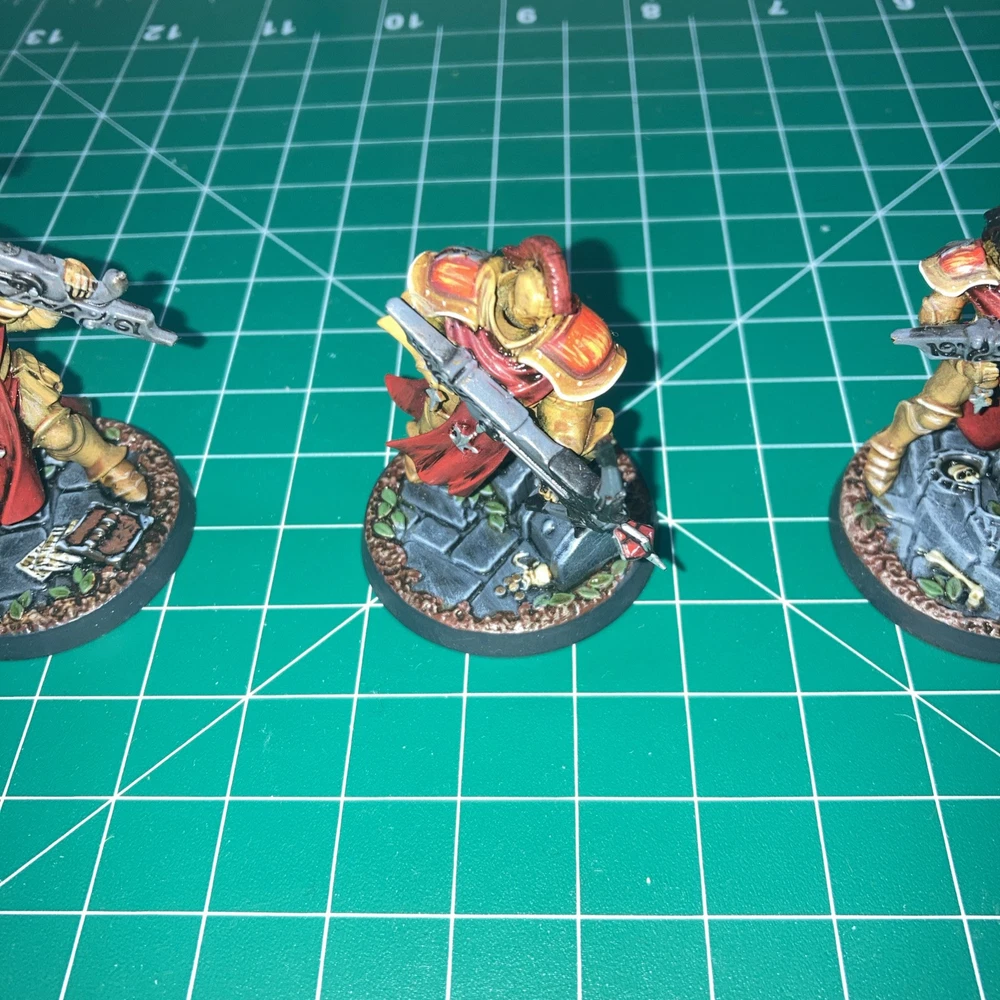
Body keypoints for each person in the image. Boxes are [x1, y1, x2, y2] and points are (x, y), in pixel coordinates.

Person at [379, 235, 627, 495]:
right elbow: (425, 317)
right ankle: (415, 465)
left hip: (509, 413)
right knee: (431, 431)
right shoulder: (465, 278)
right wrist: (430, 365)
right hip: (451, 389)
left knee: (473, 461)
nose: (535, 308)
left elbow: (570, 408)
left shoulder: (574, 339)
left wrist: (562, 463)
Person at [0, 256, 147, 525]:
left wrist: (60, 288)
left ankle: (105, 462)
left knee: (60, 433)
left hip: (8, 388)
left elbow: (37, 316)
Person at [865, 207, 1000, 496]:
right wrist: (969, 355)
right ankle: (888, 446)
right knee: (935, 407)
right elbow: (937, 323)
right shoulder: (971, 265)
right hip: (977, 357)